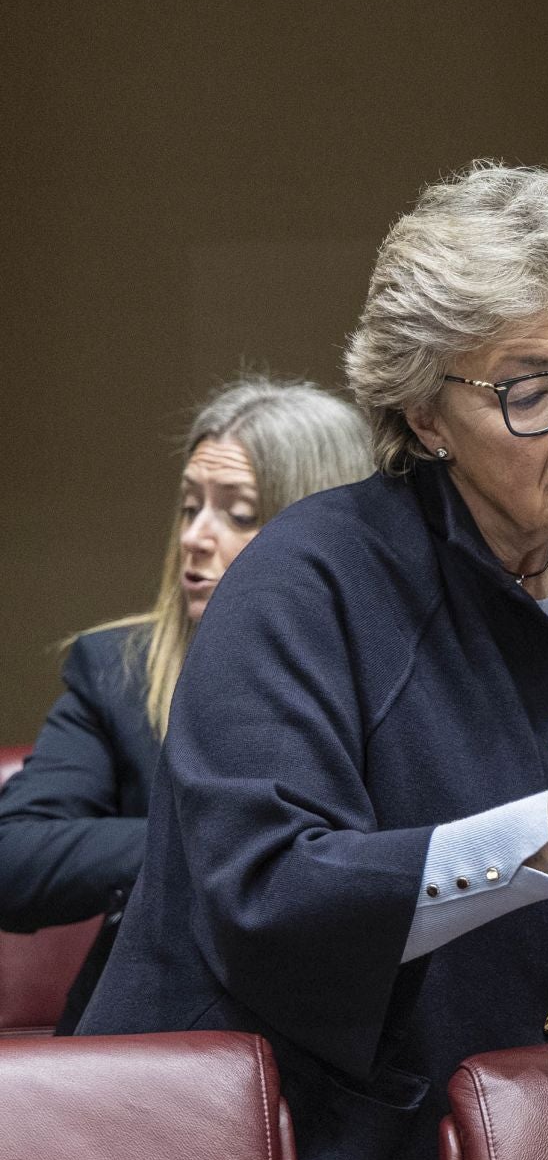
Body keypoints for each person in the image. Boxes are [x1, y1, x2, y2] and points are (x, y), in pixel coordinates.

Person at [79, 163, 548, 1160]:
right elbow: (270, 891)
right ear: (425, 416)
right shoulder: (306, 578)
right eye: (533, 391)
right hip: (268, 1137)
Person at [0, 376, 371, 1030]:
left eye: (240, 513)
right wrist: (213, 850)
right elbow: (14, 857)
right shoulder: (119, 670)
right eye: (189, 506)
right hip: (154, 1041)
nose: (196, 538)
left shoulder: (385, 682)